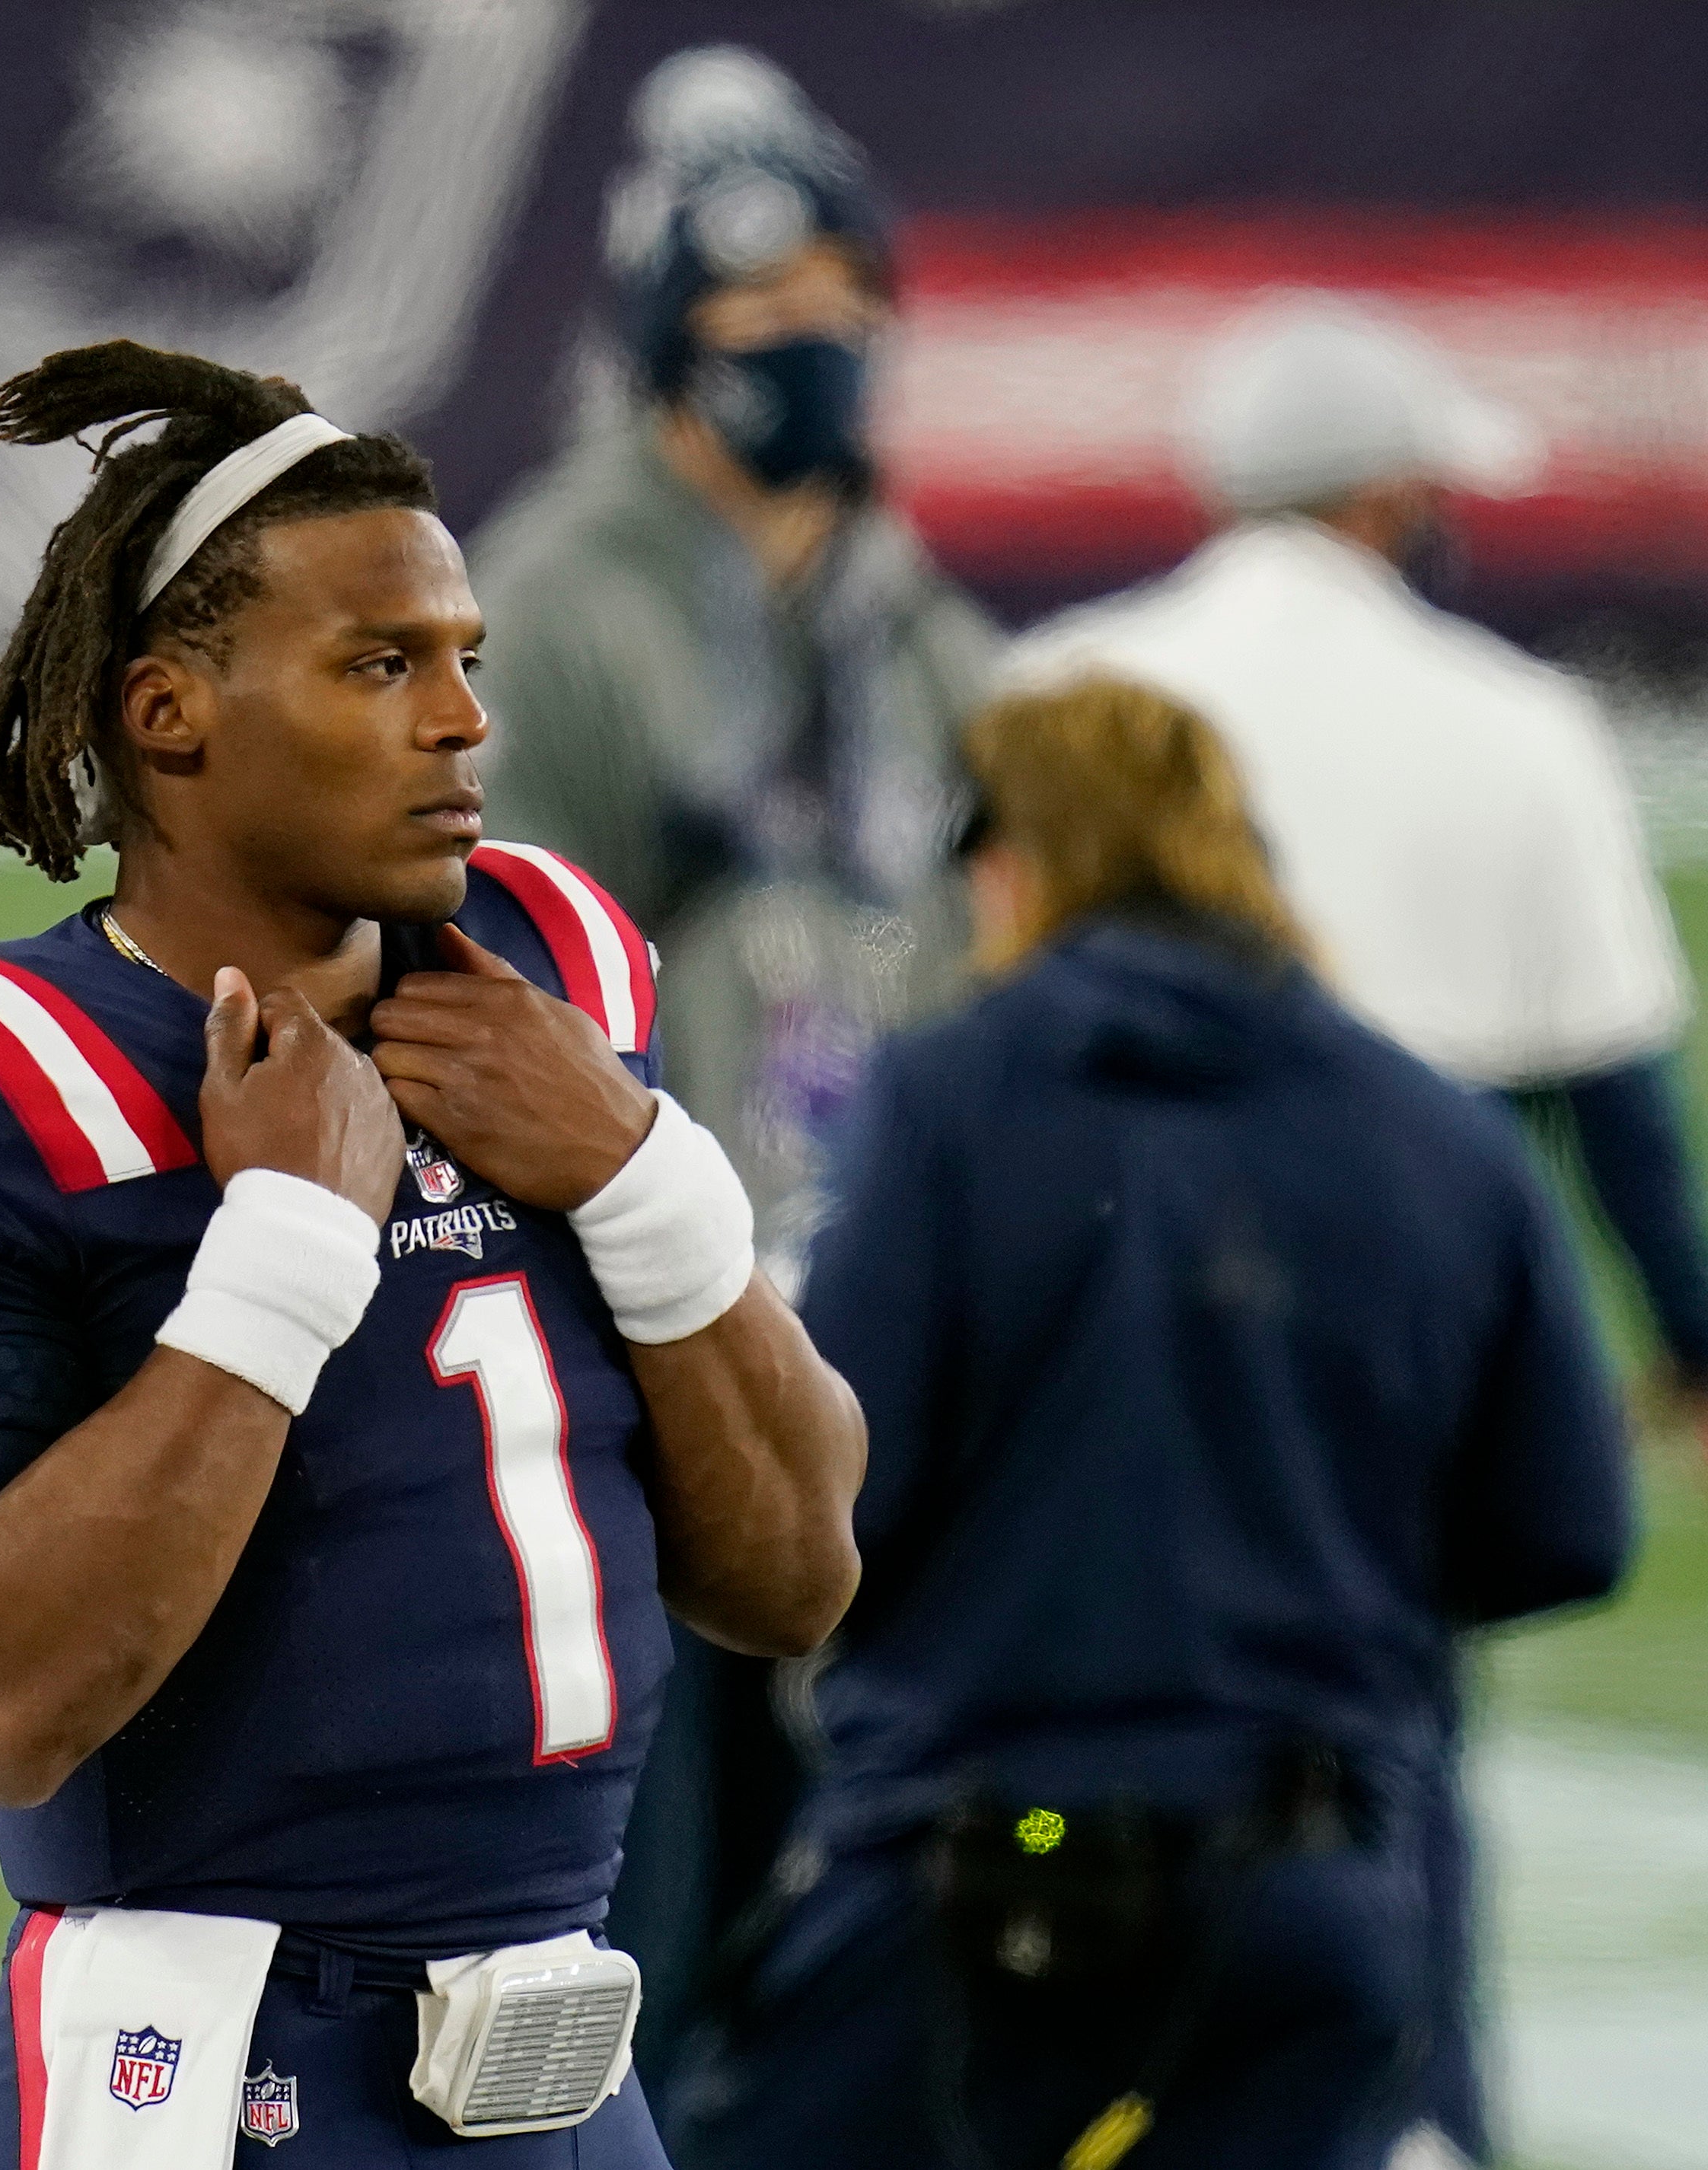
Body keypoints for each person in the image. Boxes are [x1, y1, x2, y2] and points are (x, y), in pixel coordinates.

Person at [0, 340, 865, 2168]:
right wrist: (278, 1253)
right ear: (169, 712)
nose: (461, 721)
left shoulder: (553, 972)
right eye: (379, 663)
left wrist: (646, 1180)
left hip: (570, 2058)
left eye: (462, 662)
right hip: (213, 2069)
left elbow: (799, 1577)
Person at [1009, 299, 1708, 2168]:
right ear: (1381, 497)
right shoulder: (1515, 721)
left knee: (1062, 1729)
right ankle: (1408, 2117)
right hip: (1404, 1333)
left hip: (1100, 1294)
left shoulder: (1058, 686)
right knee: (1391, 1750)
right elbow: (1617, 1086)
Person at [671, 677, 1634, 2170]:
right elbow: (1565, 1528)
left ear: (1021, 860)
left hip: (998, 1854)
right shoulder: (1439, 1130)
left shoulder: (947, 1103)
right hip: (1310, 1879)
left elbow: (842, 1489)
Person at [464, 43, 997, 2066]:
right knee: (644, 1914)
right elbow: (493, 982)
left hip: (859, 1284)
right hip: (646, 1316)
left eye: (837, 319)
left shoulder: (896, 599)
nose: (811, 358)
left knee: (847, 1914)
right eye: (759, 325)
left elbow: (985, 907)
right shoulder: (554, 598)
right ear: (666, 346)